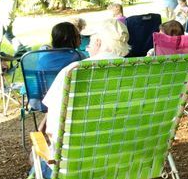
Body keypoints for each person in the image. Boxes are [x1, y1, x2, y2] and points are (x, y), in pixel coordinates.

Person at [40, 19, 130, 157]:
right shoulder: (134, 72)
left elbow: (52, 130)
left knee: (36, 158)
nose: (86, 45)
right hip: (124, 156)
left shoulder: (73, 72)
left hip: (75, 164)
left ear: (98, 42)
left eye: (90, 41)